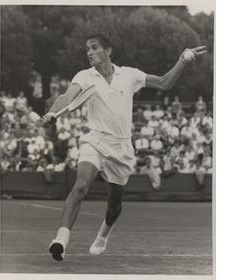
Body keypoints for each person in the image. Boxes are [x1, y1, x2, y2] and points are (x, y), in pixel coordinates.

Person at [41, 33, 206, 261]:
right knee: (80, 185)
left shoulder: (130, 74)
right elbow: (67, 97)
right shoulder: (84, 76)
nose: (89, 52)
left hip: (122, 147)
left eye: (94, 47)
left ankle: (103, 235)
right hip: (96, 140)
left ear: (108, 50)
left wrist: (182, 60)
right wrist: (51, 112)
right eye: (87, 49)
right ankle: (60, 239)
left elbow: (165, 82)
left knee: (115, 206)